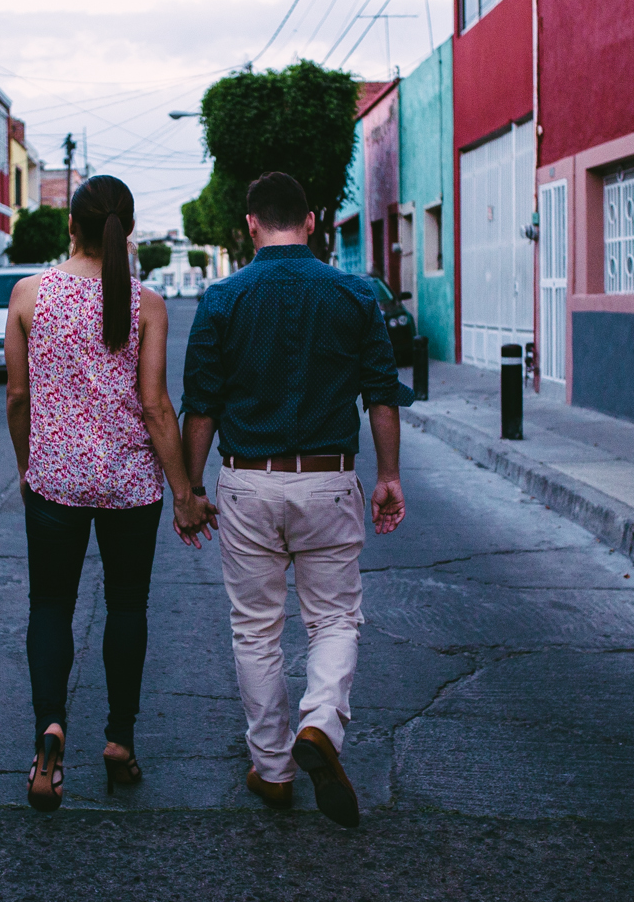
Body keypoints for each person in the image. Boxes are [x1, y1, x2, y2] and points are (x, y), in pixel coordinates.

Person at [180, 171, 412, 829]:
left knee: (255, 629)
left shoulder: (222, 299)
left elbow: (202, 405)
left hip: (247, 480)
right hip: (328, 477)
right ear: (311, 221)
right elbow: (381, 393)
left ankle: (273, 768)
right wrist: (389, 474)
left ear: (252, 224)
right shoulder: (355, 293)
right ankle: (319, 722)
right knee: (334, 620)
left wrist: (190, 489)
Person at [4, 174, 211, 813]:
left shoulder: (28, 295)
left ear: (72, 226)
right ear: (126, 231)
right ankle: (119, 740)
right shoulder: (146, 304)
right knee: (126, 608)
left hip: (55, 481)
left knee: (50, 606)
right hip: (129, 485)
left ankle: (50, 730)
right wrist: (184, 491)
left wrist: (26, 465)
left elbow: (17, 398)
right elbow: (154, 406)